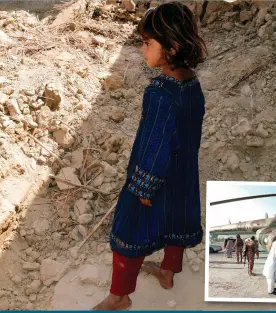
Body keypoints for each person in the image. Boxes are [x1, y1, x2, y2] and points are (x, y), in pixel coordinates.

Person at [92, 2, 208, 310]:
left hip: (153, 178)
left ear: (172, 47)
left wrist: (143, 187)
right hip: (182, 174)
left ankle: (119, 297)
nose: (142, 49)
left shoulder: (159, 93)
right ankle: (168, 273)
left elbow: (154, 144)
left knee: (129, 231)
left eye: (147, 43)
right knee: (176, 220)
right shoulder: (191, 83)